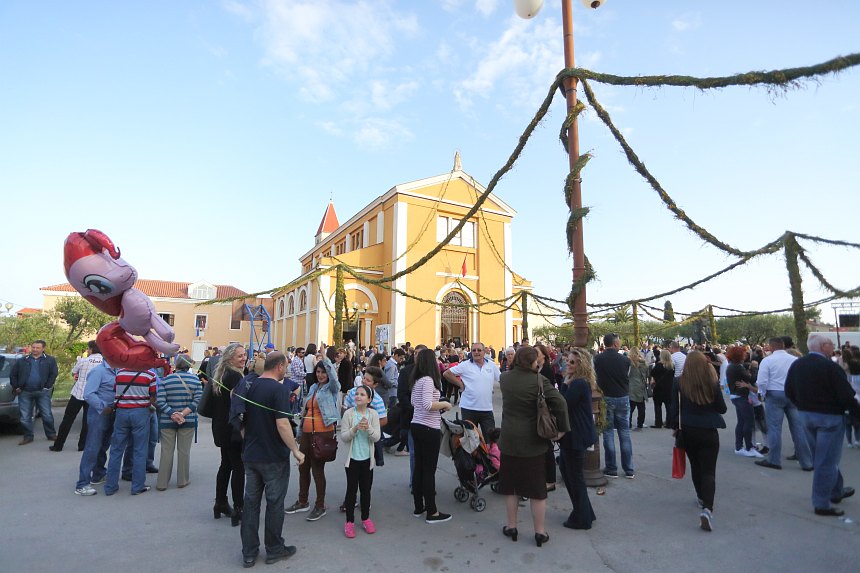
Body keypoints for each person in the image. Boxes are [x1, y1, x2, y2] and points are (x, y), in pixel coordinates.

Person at [236, 352, 305, 568]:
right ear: (280, 366)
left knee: (251, 504)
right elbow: (282, 424)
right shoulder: (279, 389)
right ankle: (274, 549)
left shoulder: (251, 385)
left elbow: (240, 418)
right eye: (286, 367)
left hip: (251, 454)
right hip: (273, 456)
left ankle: (249, 553)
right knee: (275, 504)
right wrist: (295, 450)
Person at [498, 345, 570, 547]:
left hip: (509, 438)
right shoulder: (539, 380)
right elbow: (560, 403)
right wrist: (562, 430)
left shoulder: (505, 378)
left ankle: (512, 526)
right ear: (533, 362)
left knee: (511, 487)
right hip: (534, 440)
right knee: (537, 489)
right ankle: (539, 532)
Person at [785, 334, 858, 517]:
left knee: (824, 457)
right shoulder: (830, 367)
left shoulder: (798, 364)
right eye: (831, 344)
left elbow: (789, 390)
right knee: (826, 461)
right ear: (823, 346)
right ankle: (821, 503)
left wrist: (802, 406)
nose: (833, 347)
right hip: (829, 418)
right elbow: (846, 395)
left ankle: (836, 489)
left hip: (806, 416)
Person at [668, 351, 727, 532]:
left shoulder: (679, 382)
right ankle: (707, 508)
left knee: (695, 465)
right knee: (709, 470)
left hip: (687, 429)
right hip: (708, 429)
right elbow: (722, 408)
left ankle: (701, 496)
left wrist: (674, 426)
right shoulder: (712, 381)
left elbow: (673, 408)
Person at [285, 359, 340, 521]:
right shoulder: (313, 387)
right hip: (307, 433)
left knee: (317, 469)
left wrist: (325, 359)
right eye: (318, 372)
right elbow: (306, 411)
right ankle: (303, 501)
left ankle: (320, 505)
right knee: (303, 467)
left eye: (323, 372)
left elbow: (334, 378)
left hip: (322, 433)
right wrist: (300, 433)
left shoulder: (332, 388)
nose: (320, 375)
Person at [410, 347, 455, 524]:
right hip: (429, 428)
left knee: (419, 468)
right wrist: (445, 404)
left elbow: (415, 402)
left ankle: (418, 506)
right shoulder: (428, 380)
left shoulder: (417, 380)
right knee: (429, 470)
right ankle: (432, 511)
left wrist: (438, 405)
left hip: (417, 425)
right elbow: (428, 405)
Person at [755, 337, 813, 471]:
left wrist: (761, 393)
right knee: (798, 428)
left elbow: (762, 381)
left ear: (771, 347)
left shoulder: (767, 360)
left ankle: (774, 460)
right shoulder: (794, 360)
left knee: (774, 428)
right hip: (793, 394)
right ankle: (806, 462)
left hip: (774, 393)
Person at [558, 348, 598, 530]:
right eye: (568, 360)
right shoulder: (578, 382)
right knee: (568, 472)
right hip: (575, 434)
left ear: (581, 365)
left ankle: (582, 518)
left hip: (576, 435)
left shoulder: (579, 383)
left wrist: (565, 385)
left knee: (574, 477)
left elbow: (563, 404)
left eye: (573, 362)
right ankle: (586, 512)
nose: (568, 364)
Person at [104, 368, 158, 496]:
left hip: (121, 413)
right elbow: (153, 398)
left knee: (116, 450)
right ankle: (137, 486)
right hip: (140, 413)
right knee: (140, 450)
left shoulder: (120, 373)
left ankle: (110, 486)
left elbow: (115, 391)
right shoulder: (150, 375)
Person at [212, 343, 248, 526]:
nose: (244, 358)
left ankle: (220, 502)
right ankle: (239, 508)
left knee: (226, 465)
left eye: (244, 355)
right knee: (238, 467)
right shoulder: (235, 376)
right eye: (240, 356)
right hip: (232, 428)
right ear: (230, 358)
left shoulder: (222, 373)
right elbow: (240, 404)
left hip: (221, 426)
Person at [155, 354, 202, 491]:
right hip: (188, 420)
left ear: (177, 364)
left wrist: (172, 413)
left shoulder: (166, 380)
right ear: (189, 365)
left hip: (167, 420)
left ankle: (162, 483)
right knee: (184, 451)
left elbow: (160, 401)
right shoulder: (195, 380)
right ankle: (182, 480)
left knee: (166, 452)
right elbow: (197, 400)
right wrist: (182, 414)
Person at [340, 384, 381, 538]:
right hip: (352, 460)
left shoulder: (373, 414)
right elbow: (344, 436)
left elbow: (376, 437)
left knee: (366, 490)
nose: (358, 396)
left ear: (369, 399)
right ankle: (349, 521)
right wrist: (355, 428)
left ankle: (365, 518)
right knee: (351, 490)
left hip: (367, 460)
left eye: (362, 394)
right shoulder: (349, 414)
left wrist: (368, 428)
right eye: (357, 394)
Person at [594, 333, 635, 479]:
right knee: (624, 432)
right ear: (615, 344)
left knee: (608, 432)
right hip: (622, 397)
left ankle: (611, 468)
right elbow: (627, 377)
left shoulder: (598, 359)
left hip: (606, 397)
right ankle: (629, 469)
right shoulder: (625, 360)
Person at [74, 359, 117, 496]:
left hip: (112, 412)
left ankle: (98, 474)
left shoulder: (117, 370)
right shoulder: (98, 371)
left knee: (104, 445)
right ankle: (82, 484)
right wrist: (103, 407)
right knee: (93, 446)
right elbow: (88, 394)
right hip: (99, 413)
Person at [443, 342, 501, 439]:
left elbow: (501, 379)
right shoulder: (465, 365)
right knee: (470, 440)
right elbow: (446, 373)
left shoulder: (491, 365)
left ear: (484, 352)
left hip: (486, 409)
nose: (476, 352)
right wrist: (460, 384)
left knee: (491, 439)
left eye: (479, 350)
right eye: (474, 350)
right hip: (468, 409)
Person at [53, 340, 103, 452]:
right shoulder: (104, 362)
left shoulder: (83, 361)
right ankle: (82, 445)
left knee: (68, 418)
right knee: (87, 421)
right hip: (94, 394)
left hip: (78, 393)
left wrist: (77, 375)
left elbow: (74, 372)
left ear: (91, 349)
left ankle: (58, 445)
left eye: (88, 349)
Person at [10, 339, 58, 445]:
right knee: (25, 416)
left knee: (47, 415)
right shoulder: (23, 360)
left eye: (38, 348)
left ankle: (51, 434)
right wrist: (16, 386)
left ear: (43, 348)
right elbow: (13, 374)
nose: (35, 349)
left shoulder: (50, 360)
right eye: (33, 347)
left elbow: (53, 373)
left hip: (42, 392)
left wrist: (47, 386)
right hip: (25, 392)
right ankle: (28, 436)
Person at [725, 346, 763, 458]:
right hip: (741, 396)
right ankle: (749, 447)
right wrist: (754, 368)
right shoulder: (737, 367)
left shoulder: (732, 366)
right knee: (748, 421)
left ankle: (739, 447)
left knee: (742, 421)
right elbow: (751, 379)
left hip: (736, 395)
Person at [650, 350, 674, 428]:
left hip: (659, 388)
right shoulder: (672, 366)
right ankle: (669, 423)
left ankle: (658, 423)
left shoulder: (658, 366)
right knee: (669, 407)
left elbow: (652, 373)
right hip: (668, 388)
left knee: (657, 406)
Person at [627, 348, 649, 430]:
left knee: (630, 407)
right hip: (641, 386)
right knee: (641, 407)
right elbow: (647, 375)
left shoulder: (629, 363)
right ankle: (640, 423)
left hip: (631, 386)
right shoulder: (644, 363)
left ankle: (628, 423)